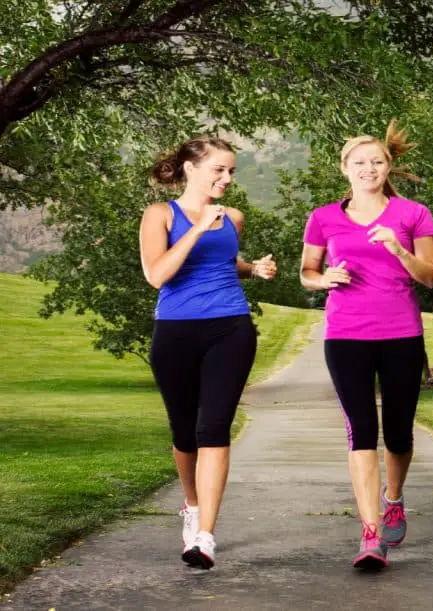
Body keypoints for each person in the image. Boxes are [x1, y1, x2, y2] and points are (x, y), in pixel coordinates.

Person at [300, 121, 433, 569]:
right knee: (361, 429)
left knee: (398, 432)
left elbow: (432, 277)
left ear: (389, 166)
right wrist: (324, 280)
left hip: (401, 333)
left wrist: (399, 251)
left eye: (377, 161)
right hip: (346, 335)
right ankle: (370, 533)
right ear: (345, 169)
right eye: (359, 162)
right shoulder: (324, 217)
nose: (369, 169)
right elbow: (307, 271)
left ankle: (393, 498)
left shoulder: (413, 214)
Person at [139, 136, 277, 570]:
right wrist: (197, 228)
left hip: (230, 327)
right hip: (175, 331)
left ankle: (204, 537)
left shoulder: (231, 218)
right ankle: (192, 506)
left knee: (213, 428)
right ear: (190, 169)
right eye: (219, 169)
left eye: (232, 171)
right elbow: (158, 274)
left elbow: (222, 260)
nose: (227, 178)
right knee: (184, 433)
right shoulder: (160, 214)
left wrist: (253, 268)